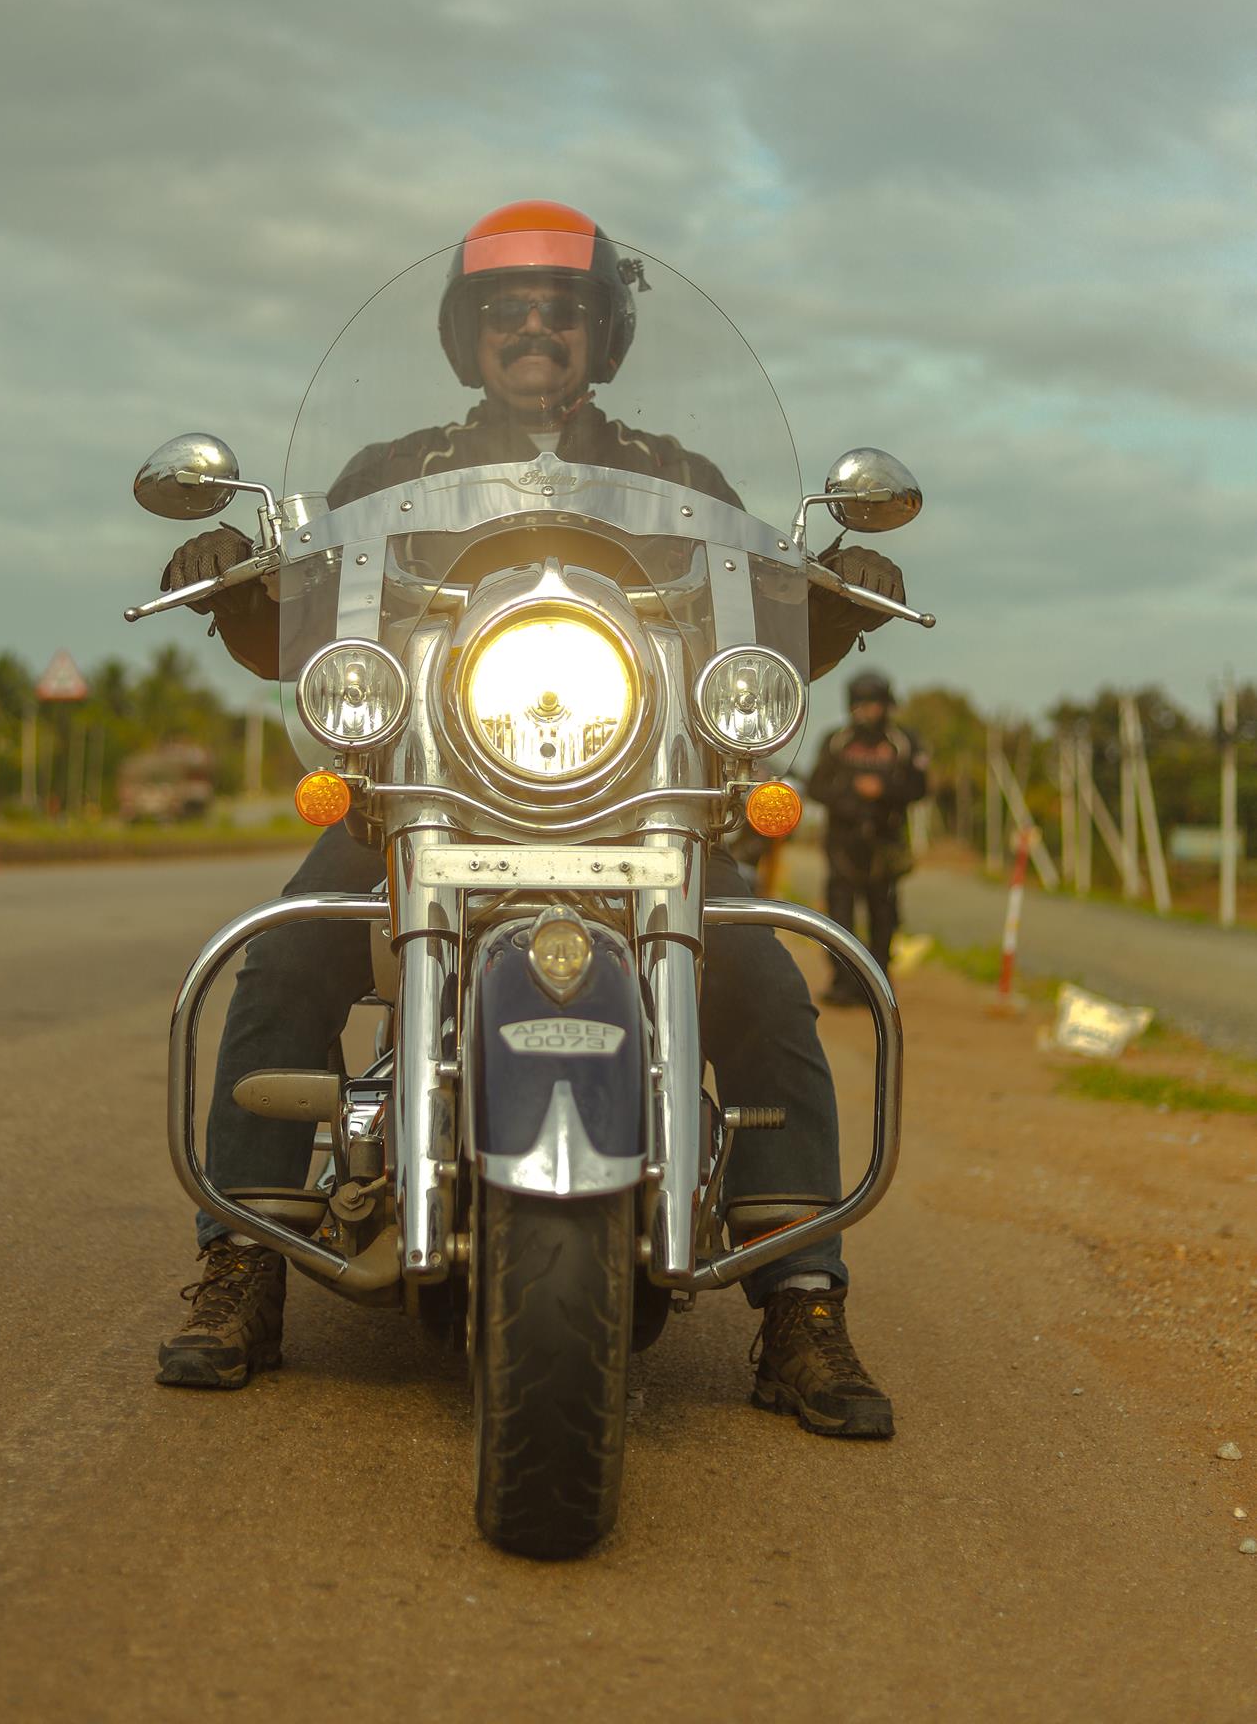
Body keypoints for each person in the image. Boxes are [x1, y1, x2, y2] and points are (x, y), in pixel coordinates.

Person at [154, 200, 908, 1438]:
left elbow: (762, 604)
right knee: (289, 945)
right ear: (468, 333)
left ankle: (801, 1304)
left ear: (604, 333)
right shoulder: (386, 475)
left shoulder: (682, 481)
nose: (535, 330)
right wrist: (237, 580)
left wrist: (835, 591)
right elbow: (307, 618)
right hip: (421, 796)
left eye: (563, 309)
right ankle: (243, 1260)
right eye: (507, 309)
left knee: (765, 982)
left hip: (639, 802)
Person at [808, 671, 929, 1007]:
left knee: (883, 915)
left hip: (886, 844)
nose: (868, 712)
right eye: (861, 705)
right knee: (839, 915)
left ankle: (878, 987)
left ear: (887, 705)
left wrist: (883, 792)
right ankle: (843, 982)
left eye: (874, 704)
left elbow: (920, 788)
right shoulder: (836, 741)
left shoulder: (903, 742)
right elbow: (816, 787)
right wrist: (850, 796)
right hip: (842, 845)